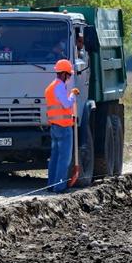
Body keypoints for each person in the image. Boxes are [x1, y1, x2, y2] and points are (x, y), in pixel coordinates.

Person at [45, 59, 79, 192]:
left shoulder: (50, 87)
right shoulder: (59, 87)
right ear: (64, 74)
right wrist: (73, 95)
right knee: (64, 159)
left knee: (55, 158)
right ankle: (59, 186)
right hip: (64, 127)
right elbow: (66, 104)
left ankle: (51, 185)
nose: (69, 78)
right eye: (69, 75)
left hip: (54, 127)